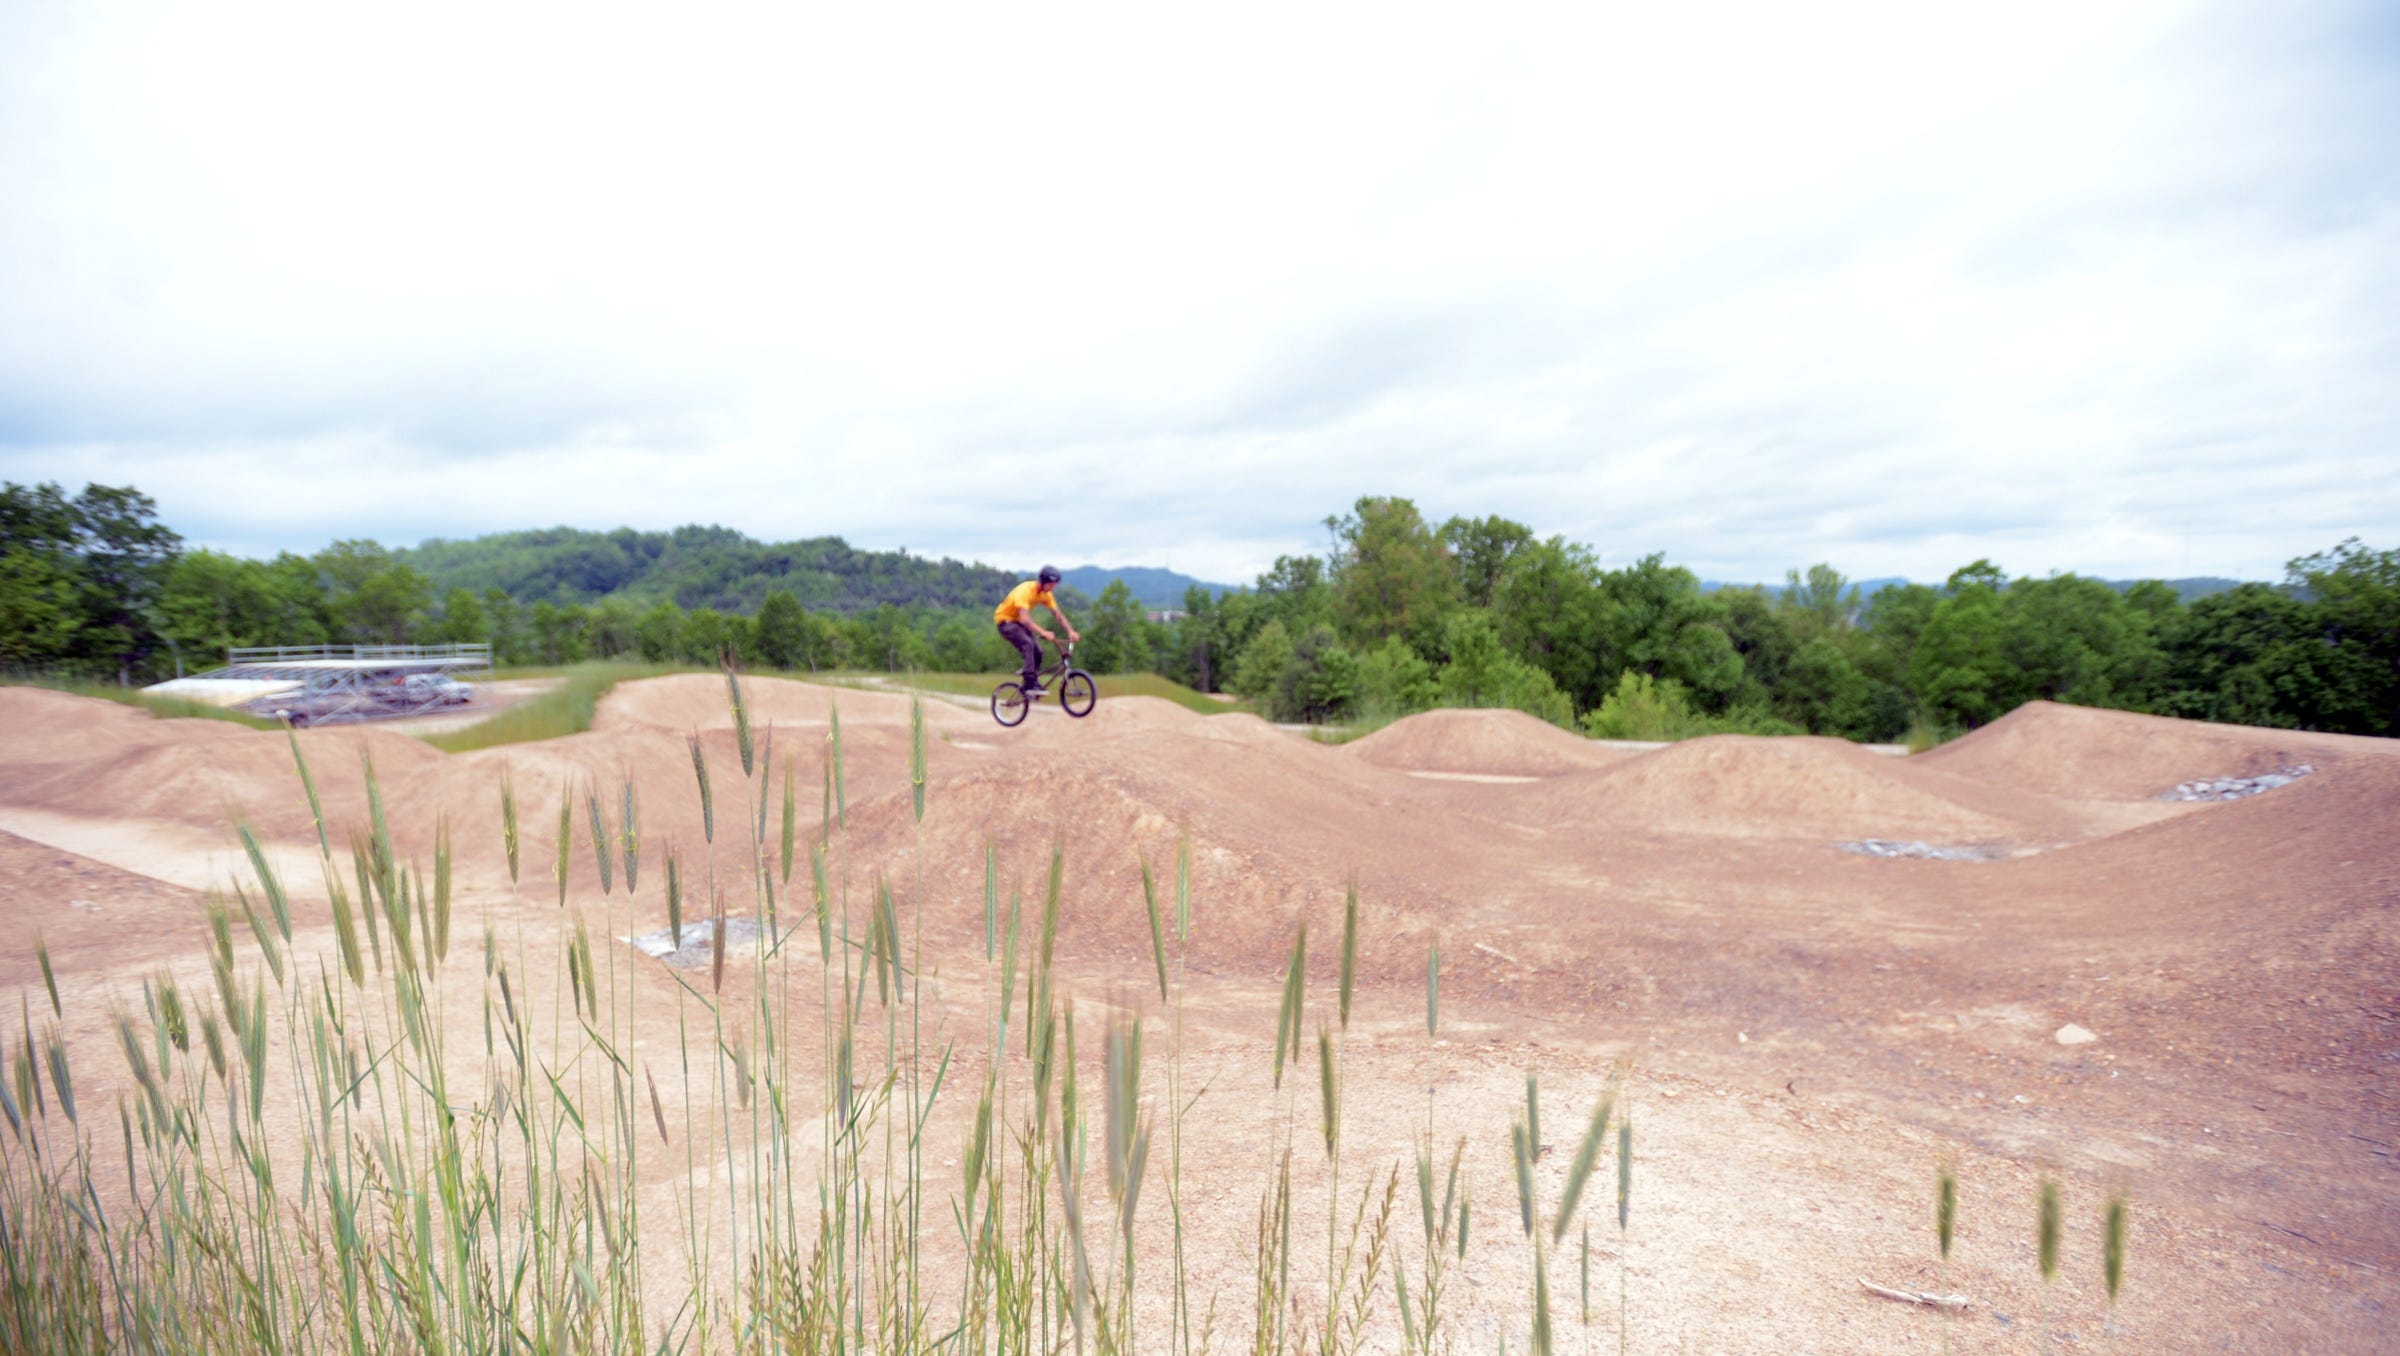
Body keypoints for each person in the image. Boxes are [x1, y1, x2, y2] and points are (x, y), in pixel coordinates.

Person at [993, 565, 1081, 694]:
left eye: (1055, 585)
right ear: (1043, 582)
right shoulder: (1025, 591)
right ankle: (1029, 681)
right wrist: (1044, 632)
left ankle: (1031, 680)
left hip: (1018, 623)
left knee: (1038, 651)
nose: (1053, 587)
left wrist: (1070, 631)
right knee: (1028, 644)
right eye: (1051, 584)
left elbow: (1058, 615)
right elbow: (1025, 619)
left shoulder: (1046, 595)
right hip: (1005, 622)